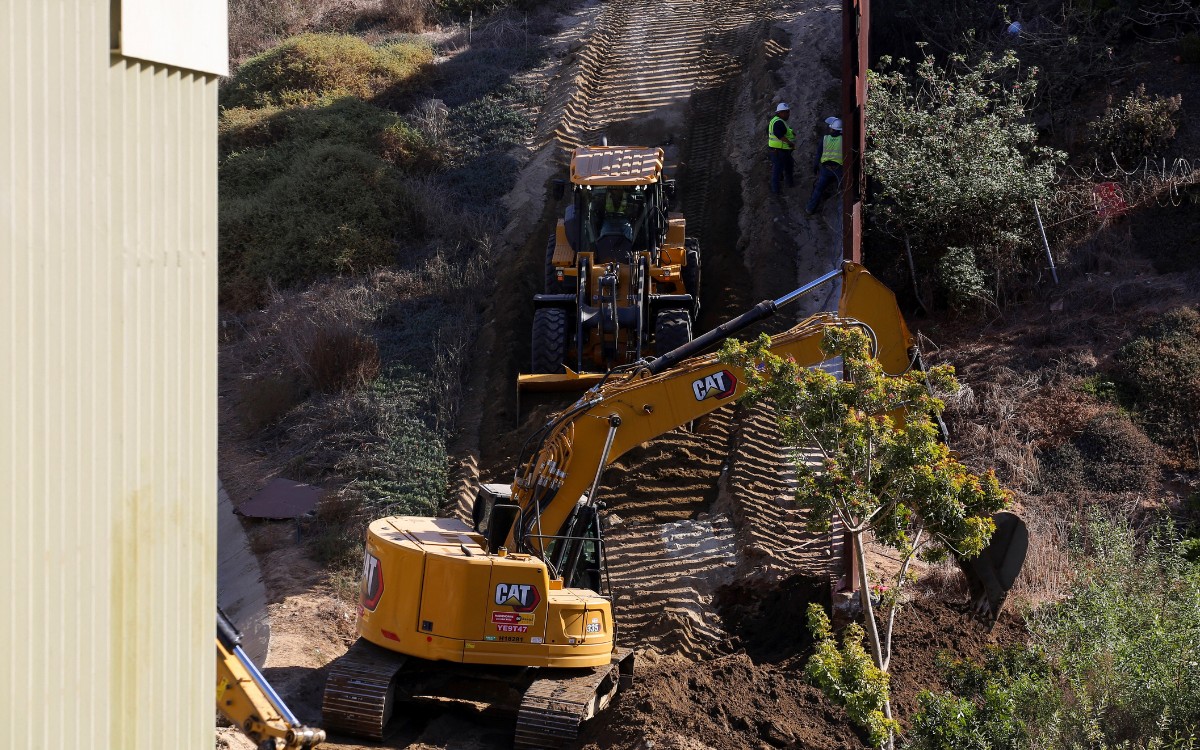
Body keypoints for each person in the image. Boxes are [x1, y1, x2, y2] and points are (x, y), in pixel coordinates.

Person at [806, 116, 843, 214]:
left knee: (818, 189)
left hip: (825, 169)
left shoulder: (825, 138)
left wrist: (815, 165)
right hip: (838, 169)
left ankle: (810, 209)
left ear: (832, 129)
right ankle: (842, 213)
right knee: (843, 191)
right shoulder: (843, 139)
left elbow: (818, 153)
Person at [767, 102, 795, 195]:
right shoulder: (778, 122)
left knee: (788, 166)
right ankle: (776, 192)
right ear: (780, 112)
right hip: (778, 151)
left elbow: (769, 131)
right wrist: (789, 142)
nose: (788, 114)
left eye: (788, 112)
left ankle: (789, 183)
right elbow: (779, 135)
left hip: (780, 150)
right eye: (787, 112)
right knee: (777, 171)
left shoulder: (776, 120)